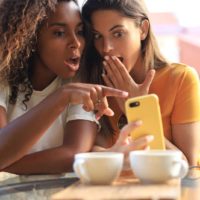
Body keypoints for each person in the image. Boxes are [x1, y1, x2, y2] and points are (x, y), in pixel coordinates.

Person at [0, 0, 154, 174]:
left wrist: (5, 166)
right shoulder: (3, 78)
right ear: (30, 38)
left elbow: (75, 153)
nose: (76, 43)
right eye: (59, 33)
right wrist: (61, 97)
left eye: (80, 32)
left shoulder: (81, 81)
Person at [81, 0, 200, 166]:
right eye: (97, 36)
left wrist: (139, 110)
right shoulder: (96, 83)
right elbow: (88, 152)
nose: (106, 47)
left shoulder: (181, 79)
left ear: (143, 30)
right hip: (117, 189)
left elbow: (188, 167)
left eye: (118, 34)